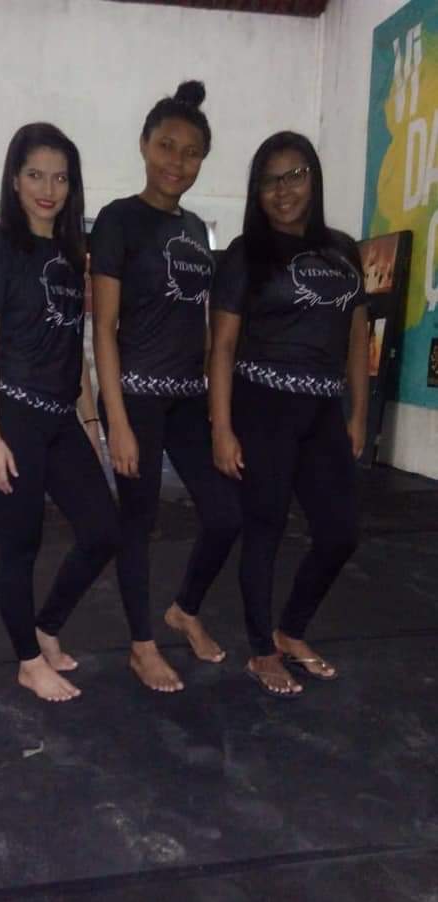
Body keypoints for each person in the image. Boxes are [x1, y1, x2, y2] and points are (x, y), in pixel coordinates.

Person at [91, 81, 240, 694]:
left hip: (187, 396)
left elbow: (201, 321)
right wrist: (118, 422)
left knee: (226, 514)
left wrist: (214, 408)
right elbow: (103, 327)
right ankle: (142, 646)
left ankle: (185, 610)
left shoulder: (198, 229)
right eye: (166, 146)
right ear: (144, 145)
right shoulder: (118, 220)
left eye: (192, 151)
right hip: (135, 394)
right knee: (139, 521)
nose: (177, 161)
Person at [209, 131, 369, 698]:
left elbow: (357, 336)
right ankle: (261, 650)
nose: (283, 190)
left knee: (340, 532)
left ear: (313, 178)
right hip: (263, 403)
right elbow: (222, 346)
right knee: (266, 527)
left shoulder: (343, 250)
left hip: (323, 409)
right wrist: (222, 427)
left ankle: (291, 630)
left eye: (294, 175)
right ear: (257, 190)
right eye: (270, 180)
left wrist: (358, 414)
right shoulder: (245, 254)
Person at [0, 122, 119, 702]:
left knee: (102, 530)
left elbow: (73, 348)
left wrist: (91, 423)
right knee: (20, 546)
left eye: (59, 177)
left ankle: (46, 626)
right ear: (14, 179)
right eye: (35, 174)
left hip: (59, 419)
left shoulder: (72, 254)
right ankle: (28, 662)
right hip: (10, 417)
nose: (47, 189)